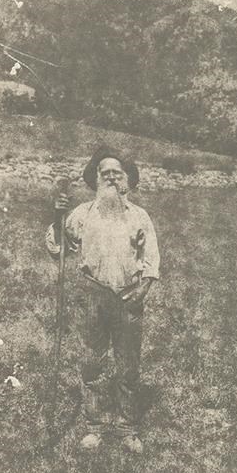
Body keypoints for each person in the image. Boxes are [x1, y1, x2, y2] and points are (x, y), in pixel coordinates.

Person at [45, 146, 160, 454]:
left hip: (129, 297)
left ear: (127, 181)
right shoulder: (82, 214)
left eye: (116, 173)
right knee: (92, 363)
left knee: (128, 366)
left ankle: (127, 428)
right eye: (104, 173)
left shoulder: (139, 216)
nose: (110, 178)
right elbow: (59, 247)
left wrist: (144, 288)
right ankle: (94, 426)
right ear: (95, 179)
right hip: (93, 295)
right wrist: (57, 215)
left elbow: (151, 258)